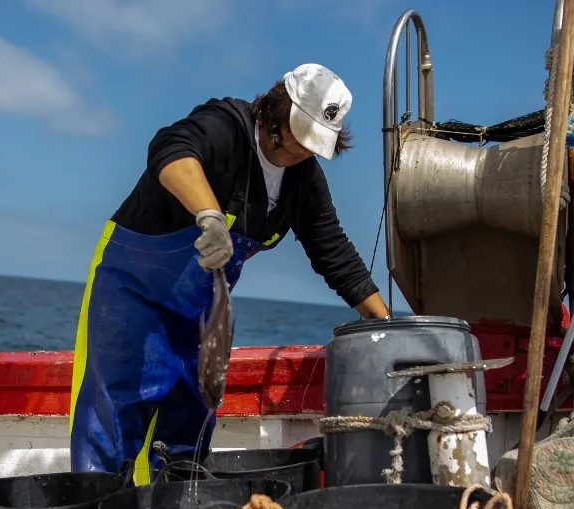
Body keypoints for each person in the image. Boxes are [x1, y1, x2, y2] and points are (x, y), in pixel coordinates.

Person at [68, 63, 392, 483]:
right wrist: (208, 215)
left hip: (204, 308)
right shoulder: (226, 126)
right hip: (134, 289)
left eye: (316, 141)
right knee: (115, 410)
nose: (303, 149)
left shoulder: (303, 180)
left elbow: (333, 251)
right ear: (278, 109)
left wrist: (384, 325)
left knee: (192, 417)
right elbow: (171, 150)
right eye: (300, 132)